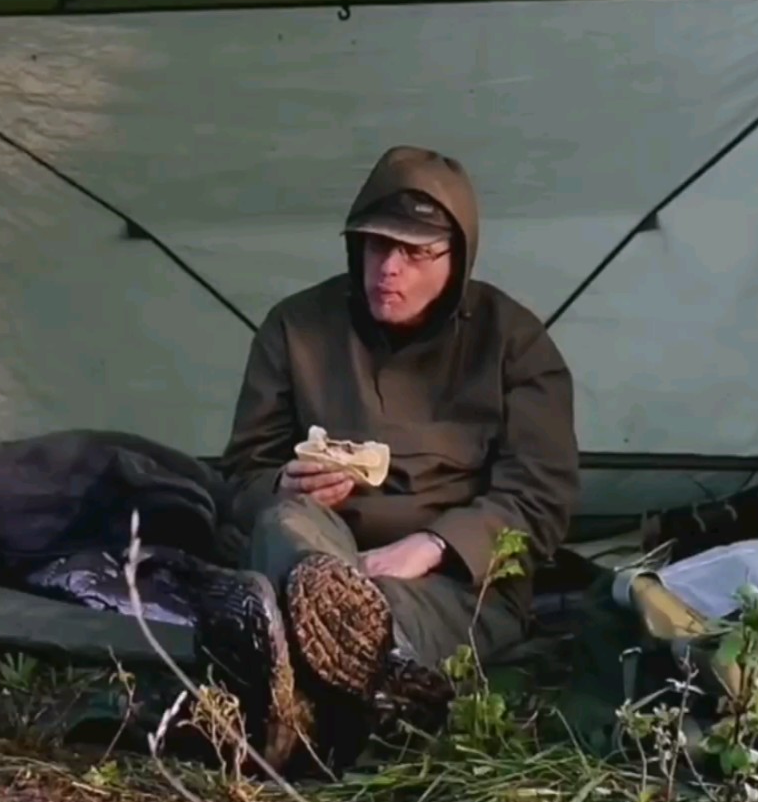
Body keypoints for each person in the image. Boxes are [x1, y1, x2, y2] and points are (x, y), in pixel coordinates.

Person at [212, 145, 580, 768]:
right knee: (283, 520)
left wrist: (437, 545)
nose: (391, 269)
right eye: (378, 246)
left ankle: (294, 665)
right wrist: (281, 478)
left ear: (457, 257)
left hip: (456, 580)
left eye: (417, 253)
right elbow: (240, 477)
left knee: (381, 617)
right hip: (318, 543)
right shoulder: (297, 327)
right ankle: (316, 630)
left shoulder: (513, 341)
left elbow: (541, 495)